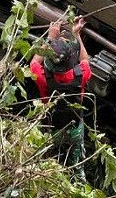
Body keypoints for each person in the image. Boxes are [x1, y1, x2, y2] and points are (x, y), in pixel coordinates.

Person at [29, 18, 91, 179]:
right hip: (74, 128)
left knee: (43, 158)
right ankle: (78, 179)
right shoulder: (81, 74)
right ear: (70, 60)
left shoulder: (42, 77)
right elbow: (85, 59)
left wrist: (50, 38)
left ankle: (45, 175)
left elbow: (35, 61)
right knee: (77, 161)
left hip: (51, 127)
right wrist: (76, 34)